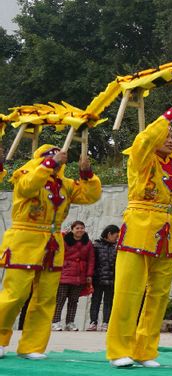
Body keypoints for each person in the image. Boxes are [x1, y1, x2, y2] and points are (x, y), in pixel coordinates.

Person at [107, 98, 172, 368]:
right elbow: (144, 139)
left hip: (167, 230)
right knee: (128, 291)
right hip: (139, 226)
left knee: (158, 294)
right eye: (166, 134)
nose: (170, 138)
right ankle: (119, 349)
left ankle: (145, 350)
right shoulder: (141, 158)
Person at [0, 147, 102, 359]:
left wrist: (86, 174)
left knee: (46, 298)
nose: (57, 163)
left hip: (52, 242)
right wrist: (48, 165)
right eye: (51, 158)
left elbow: (90, 195)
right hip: (25, 239)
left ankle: (32, 346)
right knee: (15, 295)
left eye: (58, 160)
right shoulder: (25, 175)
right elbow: (27, 189)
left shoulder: (65, 184)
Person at [53, 220, 95, 332]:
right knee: (60, 299)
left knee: (73, 300)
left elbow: (91, 260)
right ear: (72, 229)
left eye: (82, 228)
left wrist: (89, 274)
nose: (80, 230)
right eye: (77, 228)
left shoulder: (88, 242)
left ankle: (70, 323)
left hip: (79, 275)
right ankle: (55, 322)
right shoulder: (64, 240)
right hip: (65, 274)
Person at [88, 224, 119, 331]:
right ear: (109, 234)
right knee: (95, 301)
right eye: (116, 235)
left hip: (112, 279)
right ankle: (93, 322)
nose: (117, 238)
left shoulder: (117, 247)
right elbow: (92, 261)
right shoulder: (96, 245)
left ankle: (106, 322)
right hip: (98, 278)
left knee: (108, 302)